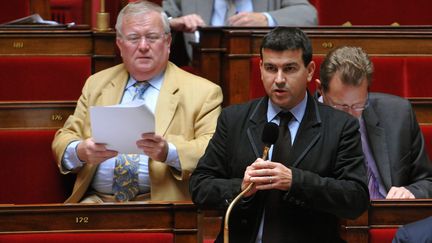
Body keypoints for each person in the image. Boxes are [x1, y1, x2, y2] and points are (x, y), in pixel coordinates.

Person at [189, 27, 369, 243]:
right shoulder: (234, 119)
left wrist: (295, 181)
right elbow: (200, 187)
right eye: (271, 68)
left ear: (310, 70)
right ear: (261, 68)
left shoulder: (340, 126)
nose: (279, 79)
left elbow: (356, 198)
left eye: (290, 68)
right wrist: (241, 188)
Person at [52, 0, 223, 203]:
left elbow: (211, 150)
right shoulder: (97, 84)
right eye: (133, 38)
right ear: (119, 44)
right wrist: (80, 151)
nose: (143, 46)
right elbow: (65, 137)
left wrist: (169, 152)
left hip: (161, 206)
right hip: (95, 202)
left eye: (152, 37)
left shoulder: (204, 92)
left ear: (168, 42)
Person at [316, 46, 432, 199]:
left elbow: (426, 181)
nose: (350, 115)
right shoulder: (303, 121)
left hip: (392, 215)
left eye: (358, 105)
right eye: (341, 106)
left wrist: (411, 192)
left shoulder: (398, 114)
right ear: (320, 90)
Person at [163, 0, 318, 61]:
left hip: (262, 76)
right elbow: (156, 17)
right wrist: (173, 23)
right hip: (203, 77)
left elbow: (308, 15)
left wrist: (266, 19)